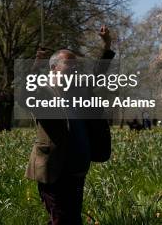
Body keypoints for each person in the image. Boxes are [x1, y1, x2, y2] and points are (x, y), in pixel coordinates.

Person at [25, 25, 115, 225]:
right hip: (54, 170)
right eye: (69, 64)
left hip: (77, 169)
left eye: (76, 66)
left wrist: (107, 45)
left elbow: (98, 75)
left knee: (69, 218)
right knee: (64, 219)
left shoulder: (79, 90)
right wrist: (34, 66)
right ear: (54, 67)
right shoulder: (43, 92)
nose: (75, 68)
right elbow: (25, 95)